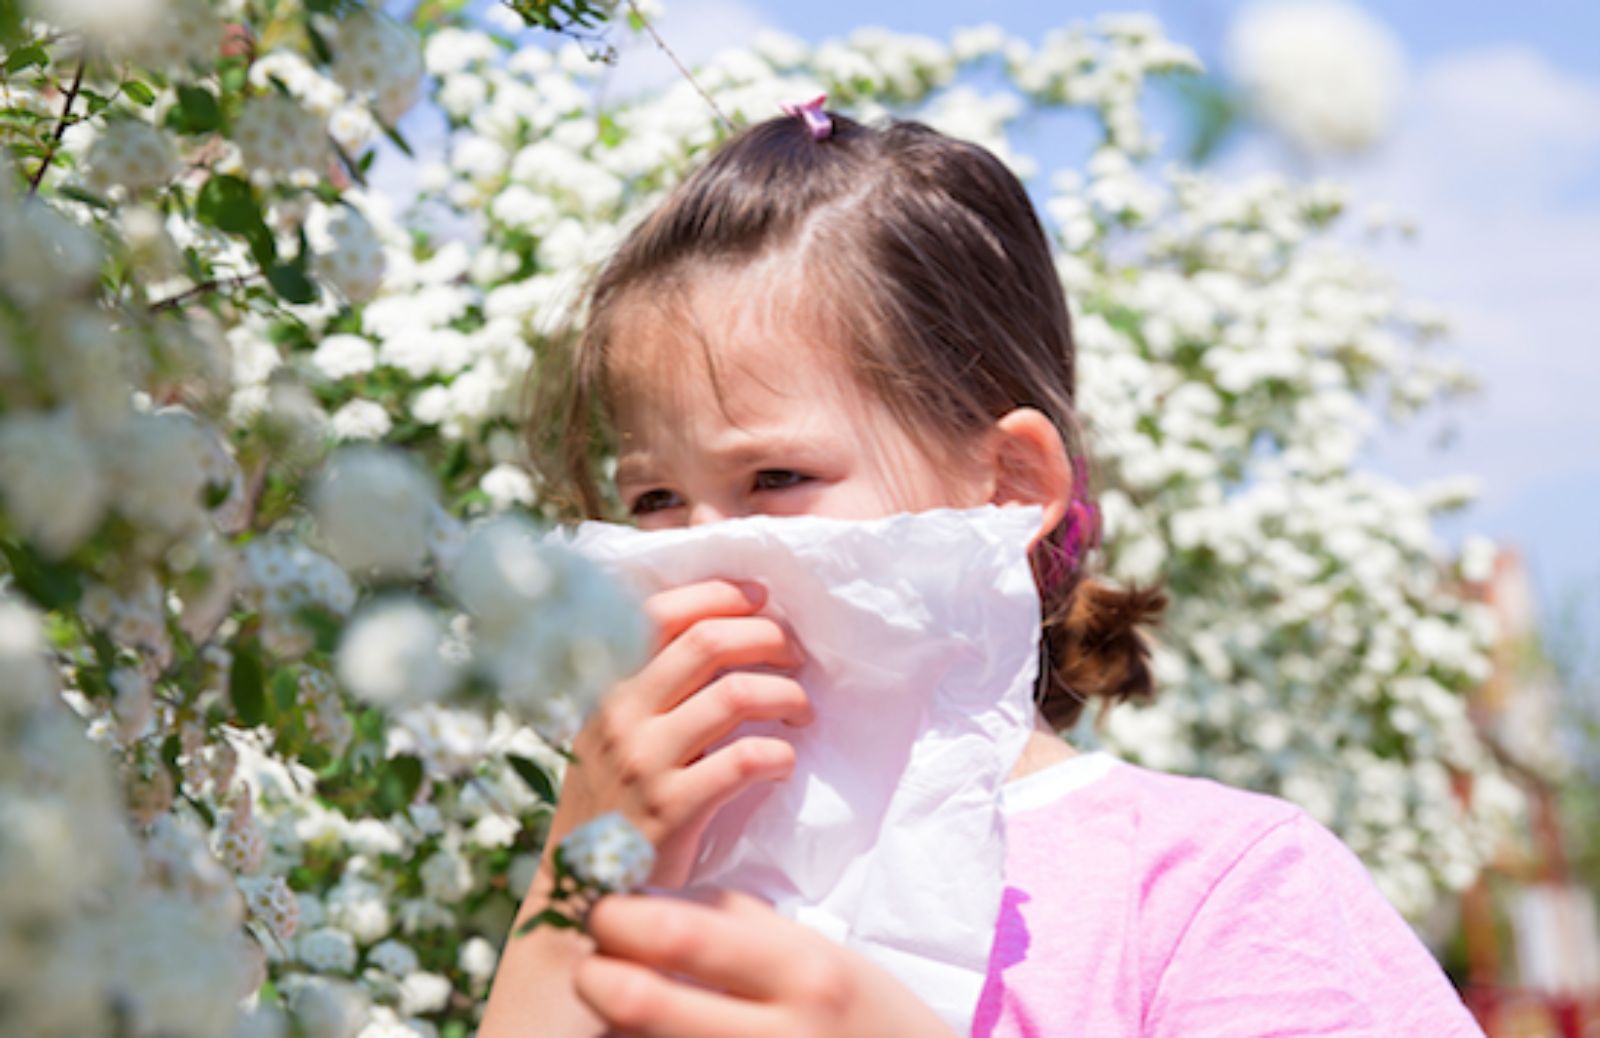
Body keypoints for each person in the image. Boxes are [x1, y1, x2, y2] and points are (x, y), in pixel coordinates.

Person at [479, 103, 1485, 1037]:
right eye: (653, 500)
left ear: (1006, 486)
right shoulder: (652, 871)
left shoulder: (1218, 889)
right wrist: (577, 876)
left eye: (775, 476)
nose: (700, 551)